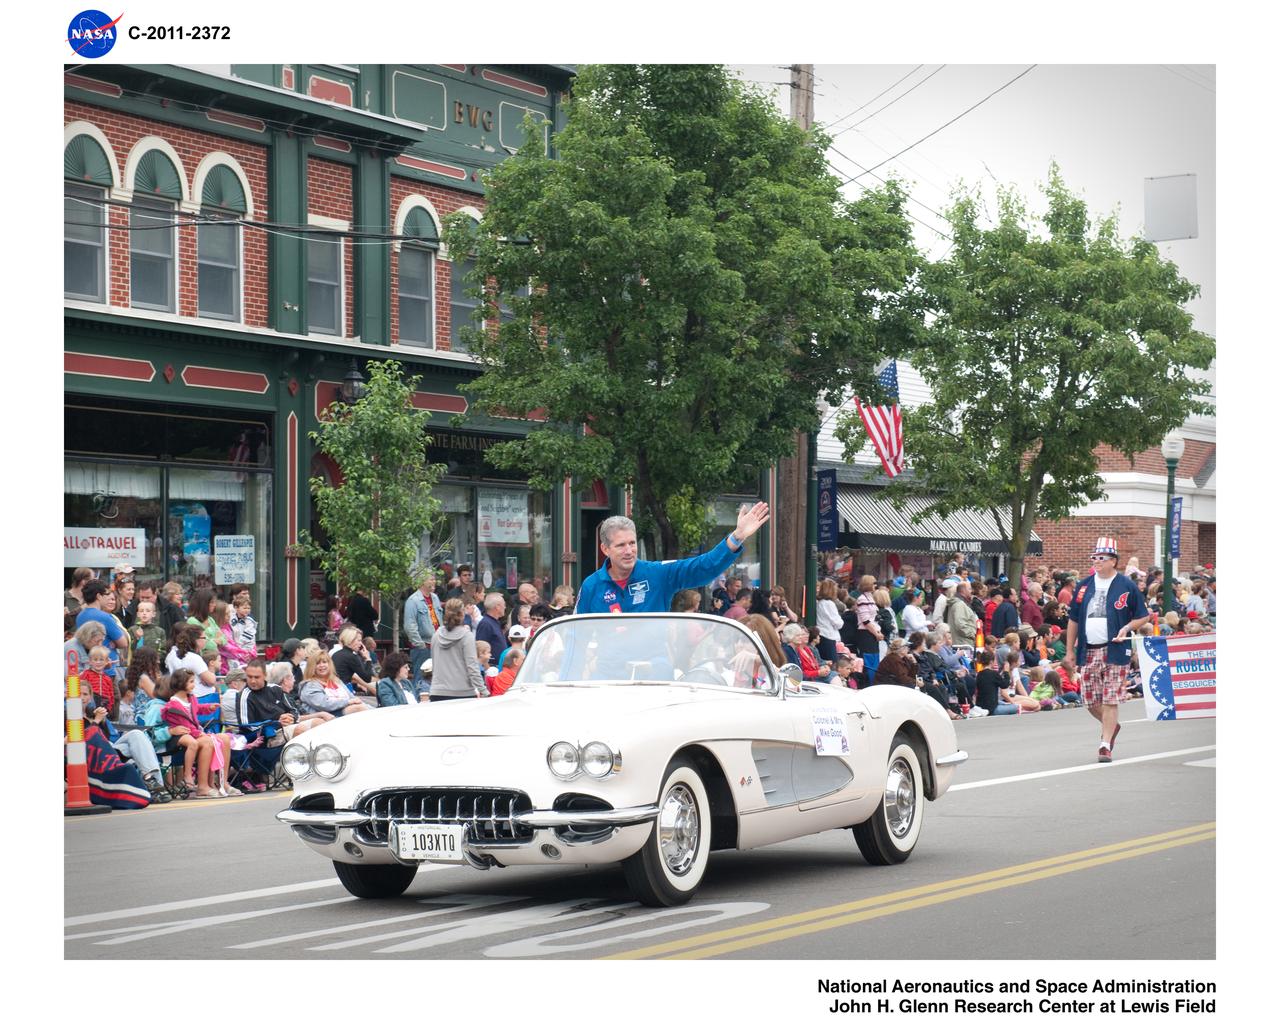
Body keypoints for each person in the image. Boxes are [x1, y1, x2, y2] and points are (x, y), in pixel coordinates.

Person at [576, 504, 771, 616]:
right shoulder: (592, 585)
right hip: (608, 677)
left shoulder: (657, 573)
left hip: (654, 674)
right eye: (621, 545)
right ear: (605, 548)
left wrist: (736, 538)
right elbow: (576, 634)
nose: (629, 550)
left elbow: (702, 568)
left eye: (632, 543)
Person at [1063, 537, 1151, 763]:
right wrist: (1070, 651)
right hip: (1088, 649)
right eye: (1094, 557)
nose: (1097, 562)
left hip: (1115, 648)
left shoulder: (1126, 585)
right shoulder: (1084, 586)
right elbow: (1073, 619)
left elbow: (1143, 615)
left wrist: (1127, 627)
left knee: (1111, 698)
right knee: (1091, 701)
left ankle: (1105, 744)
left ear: (1113, 561)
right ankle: (1111, 726)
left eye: (1101, 558)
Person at [160, 669, 238, 799]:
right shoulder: (173, 705)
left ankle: (223, 783)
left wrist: (209, 707)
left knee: (224, 738)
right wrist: (199, 734)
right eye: (191, 682)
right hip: (183, 736)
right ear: (181, 683)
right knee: (208, 741)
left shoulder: (191, 698)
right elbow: (184, 725)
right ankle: (203, 786)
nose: (194, 685)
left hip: (195, 733)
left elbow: (197, 709)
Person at [431, 598, 488, 700]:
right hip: (462, 692)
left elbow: (435, 663)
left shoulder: (436, 635)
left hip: (437, 691)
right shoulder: (467, 636)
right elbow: (472, 667)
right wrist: (483, 691)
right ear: (462, 613)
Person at [75, 579, 129, 676]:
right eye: (107, 594)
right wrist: (113, 642)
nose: (109, 598)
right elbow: (123, 643)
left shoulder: (80, 616)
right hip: (107, 670)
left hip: (89, 668)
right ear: (99, 596)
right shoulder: (105, 617)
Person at [299, 649, 368, 717]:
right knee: (357, 708)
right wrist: (347, 702)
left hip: (344, 711)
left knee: (363, 705)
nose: (322, 665)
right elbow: (324, 705)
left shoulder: (336, 680)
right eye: (318, 663)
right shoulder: (310, 685)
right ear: (312, 667)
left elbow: (352, 697)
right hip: (325, 717)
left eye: (324, 662)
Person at [403, 571, 444, 678]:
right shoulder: (413, 600)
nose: (434, 581)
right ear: (422, 582)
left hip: (437, 644)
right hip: (423, 647)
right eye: (431, 579)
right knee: (421, 678)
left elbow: (440, 619)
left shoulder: (435, 598)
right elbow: (410, 626)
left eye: (434, 579)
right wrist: (421, 645)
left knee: (436, 678)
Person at [332, 625, 377, 700]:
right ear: (350, 640)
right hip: (345, 694)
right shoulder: (351, 656)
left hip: (336, 691)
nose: (361, 644)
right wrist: (368, 659)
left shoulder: (336, 654)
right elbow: (367, 678)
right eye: (359, 640)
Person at [972, 649, 1017, 716]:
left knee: (1003, 703)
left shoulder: (979, 674)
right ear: (991, 662)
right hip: (992, 708)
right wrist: (1006, 672)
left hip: (981, 706)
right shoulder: (993, 674)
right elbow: (1005, 684)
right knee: (1015, 707)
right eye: (994, 661)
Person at [475, 592, 509, 667]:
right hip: (492, 669)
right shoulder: (486, 624)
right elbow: (481, 650)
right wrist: (488, 670)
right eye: (504, 605)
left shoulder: (494, 622)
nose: (505, 607)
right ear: (497, 607)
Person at [815, 578, 842, 664]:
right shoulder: (829, 604)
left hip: (822, 635)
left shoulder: (820, 603)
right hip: (828, 636)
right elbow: (838, 623)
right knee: (832, 664)